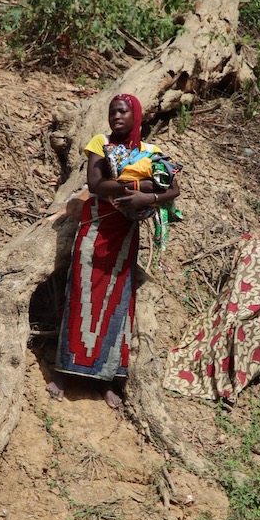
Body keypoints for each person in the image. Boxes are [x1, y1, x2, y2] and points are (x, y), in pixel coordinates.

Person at [47, 93, 181, 408]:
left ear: (136, 116)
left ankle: (108, 378)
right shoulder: (100, 143)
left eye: (123, 111)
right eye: (112, 112)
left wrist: (146, 199)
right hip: (96, 229)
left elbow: (170, 189)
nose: (116, 117)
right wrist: (136, 187)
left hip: (125, 235)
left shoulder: (151, 152)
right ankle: (63, 371)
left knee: (118, 301)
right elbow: (95, 184)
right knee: (81, 295)